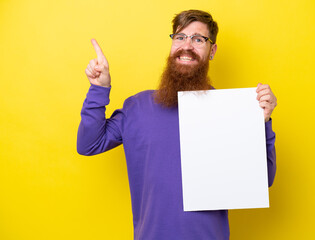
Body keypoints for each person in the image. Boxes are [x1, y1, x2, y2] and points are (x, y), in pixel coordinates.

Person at [77, 9, 277, 240]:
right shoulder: (137, 107)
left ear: (212, 51)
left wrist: (262, 121)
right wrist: (99, 89)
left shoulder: (229, 111)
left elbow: (265, 178)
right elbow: (89, 144)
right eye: (180, 37)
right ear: (172, 45)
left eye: (198, 39)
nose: (187, 46)